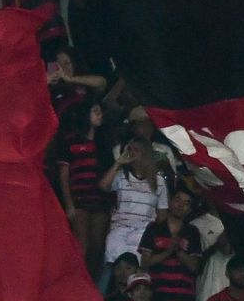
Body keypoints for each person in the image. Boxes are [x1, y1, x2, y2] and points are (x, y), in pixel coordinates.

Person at [98, 137, 168, 282]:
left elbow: (162, 215)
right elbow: (103, 186)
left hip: (143, 233)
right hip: (119, 229)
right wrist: (118, 163)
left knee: (138, 269)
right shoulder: (121, 176)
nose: (131, 153)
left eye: (136, 150)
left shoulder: (159, 181)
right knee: (111, 264)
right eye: (129, 149)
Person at [56, 100, 110, 277]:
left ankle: (92, 280)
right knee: (82, 244)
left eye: (100, 111)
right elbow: (64, 175)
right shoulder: (71, 141)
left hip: (100, 200)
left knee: (97, 245)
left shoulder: (104, 143)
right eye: (95, 111)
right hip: (79, 199)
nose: (99, 115)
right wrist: (68, 204)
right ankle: (77, 279)